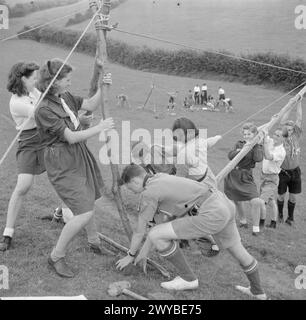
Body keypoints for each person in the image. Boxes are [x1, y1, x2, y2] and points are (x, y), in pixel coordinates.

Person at [116, 164, 267, 300]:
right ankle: (258, 291)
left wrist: (130, 255)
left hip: (211, 212)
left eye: (130, 188)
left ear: (135, 181)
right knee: (238, 250)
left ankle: (188, 279)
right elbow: (160, 225)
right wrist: (143, 254)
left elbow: (140, 231)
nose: (133, 192)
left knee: (156, 234)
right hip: (223, 203)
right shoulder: (160, 177)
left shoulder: (149, 193)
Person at [34, 58, 114, 277]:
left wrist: (102, 86)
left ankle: (94, 242)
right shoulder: (44, 109)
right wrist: (100, 127)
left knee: (87, 200)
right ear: (54, 81)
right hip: (61, 161)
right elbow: (69, 137)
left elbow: (90, 104)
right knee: (83, 211)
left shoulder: (64, 97)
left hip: (77, 156)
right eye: (66, 79)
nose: (70, 83)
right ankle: (56, 257)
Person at [171, 117, 222, 256]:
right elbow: (209, 142)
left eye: (180, 134)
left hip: (197, 186)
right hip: (208, 179)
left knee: (193, 212)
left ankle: (212, 244)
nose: (177, 137)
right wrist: (218, 137)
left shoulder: (184, 152)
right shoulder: (199, 142)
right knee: (210, 210)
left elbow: (180, 179)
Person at [224, 123, 264, 236]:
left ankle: (256, 228)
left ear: (255, 134)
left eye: (249, 134)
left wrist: (256, 145)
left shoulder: (257, 146)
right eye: (244, 134)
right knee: (236, 200)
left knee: (255, 201)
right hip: (233, 175)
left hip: (246, 176)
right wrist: (242, 150)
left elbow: (258, 158)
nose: (246, 136)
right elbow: (230, 155)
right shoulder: (239, 143)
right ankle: (243, 221)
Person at [277, 99, 303, 226]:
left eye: (292, 129)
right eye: (288, 129)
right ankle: (280, 215)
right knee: (281, 195)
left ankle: (290, 218)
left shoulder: (296, 136)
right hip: (282, 172)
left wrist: (299, 102)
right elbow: (282, 121)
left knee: (293, 196)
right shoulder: (282, 138)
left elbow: (299, 118)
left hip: (295, 171)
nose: (290, 131)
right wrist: (290, 105)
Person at [258, 128, 286, 229]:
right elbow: (260, 131)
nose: (275, 137)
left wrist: (265, 143)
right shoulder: (270, 142)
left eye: (278, 136)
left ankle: (261, 223)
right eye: (275, 134)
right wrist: (271, 121)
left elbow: (268, 156)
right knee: (270, 200)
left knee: (261, 201)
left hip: (272, 179)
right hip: (263, 176)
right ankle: (274, 222)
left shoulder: (281, 151)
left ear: (284, 139)